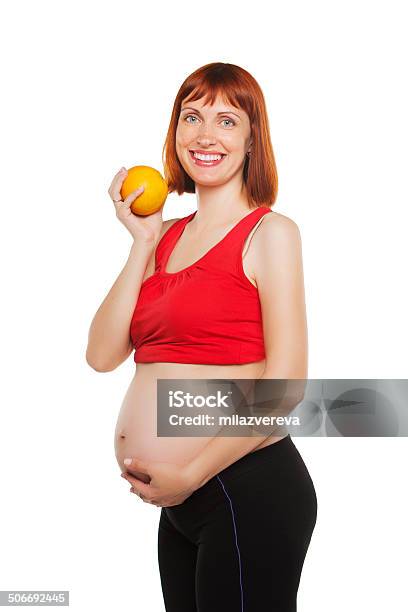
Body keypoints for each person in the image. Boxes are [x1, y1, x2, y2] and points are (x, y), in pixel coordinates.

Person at [86, 62, 317, 612]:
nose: (205, 135)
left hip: (247, 486)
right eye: (192, 117)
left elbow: (286, 388)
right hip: (180, 502)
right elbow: (100, 355)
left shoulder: (270, 234)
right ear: (175, 133)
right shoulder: (162, 236)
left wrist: (186, 474)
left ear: (252, 139)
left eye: (226, 121)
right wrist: (141, 242)